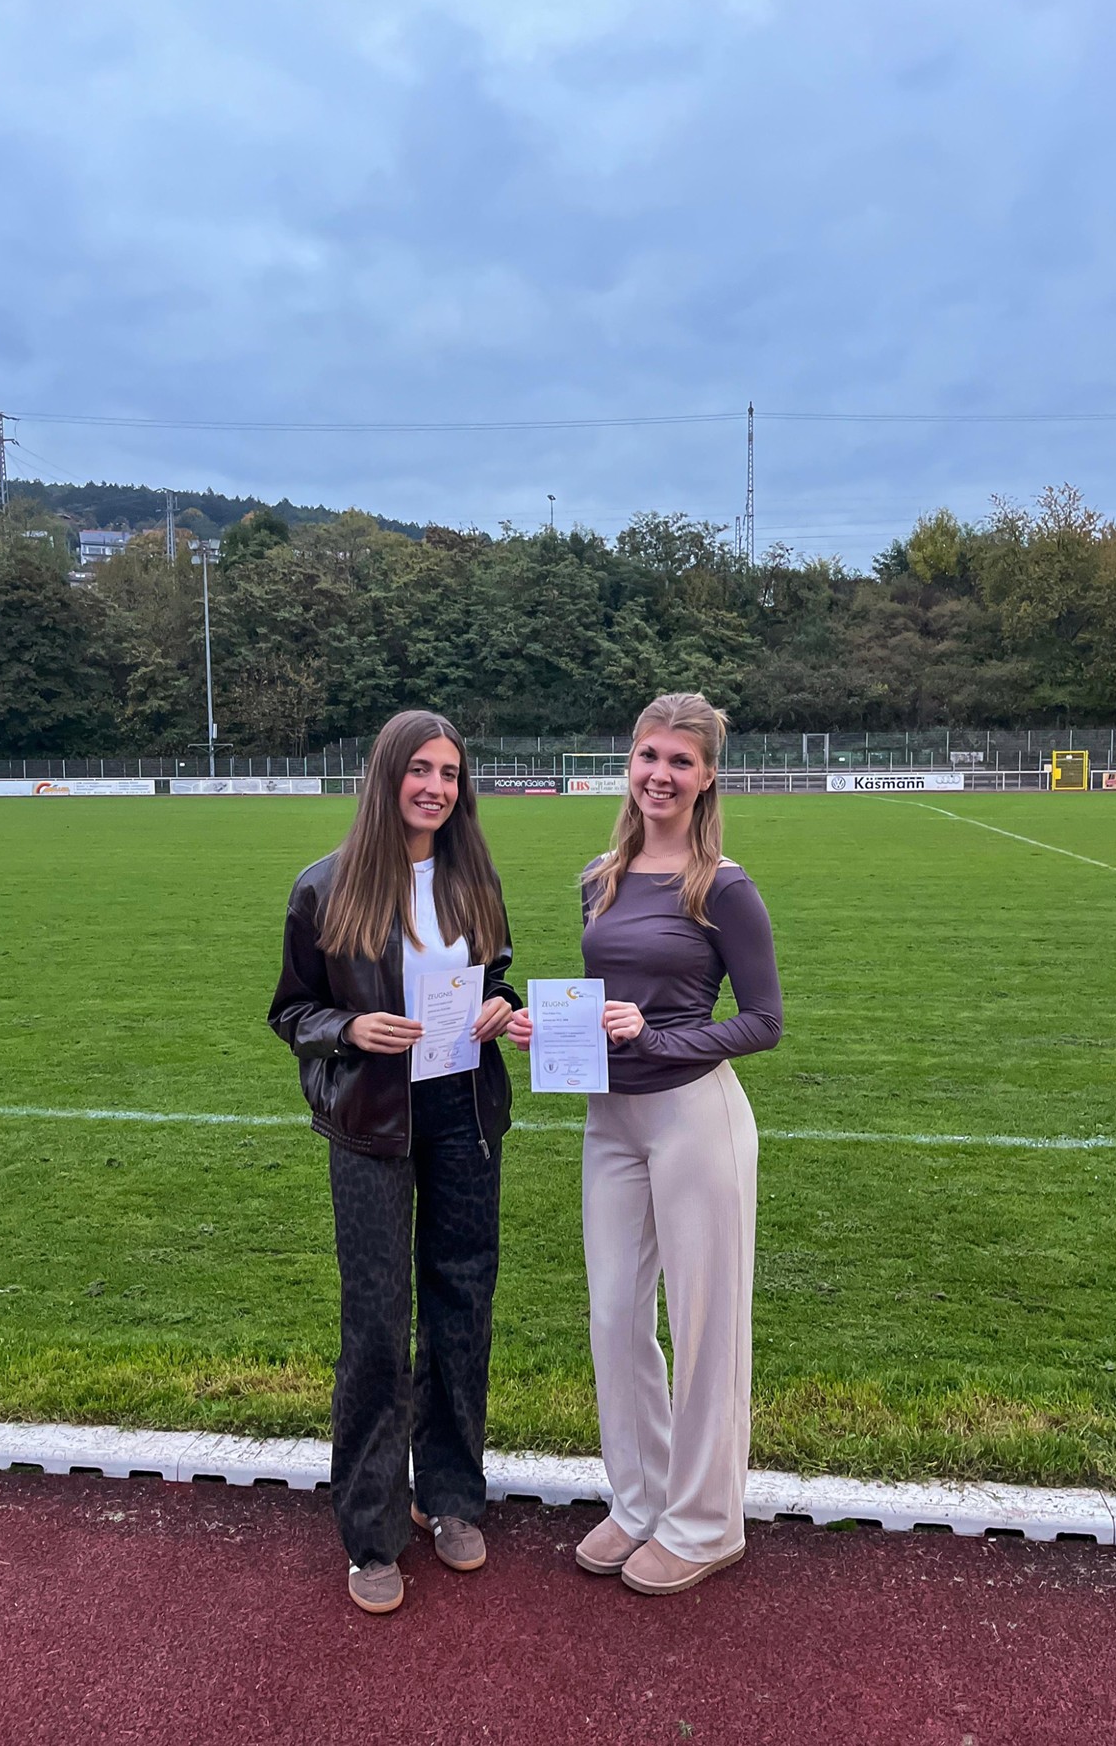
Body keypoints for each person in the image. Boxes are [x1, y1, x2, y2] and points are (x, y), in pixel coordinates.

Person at [509, 692, 782, 1596]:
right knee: (615, 1317)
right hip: (611, 1117)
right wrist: (548, 1032)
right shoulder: (601, 875)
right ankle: (639, 1501)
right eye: (648, 757)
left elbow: (764, 1022)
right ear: (629, 763)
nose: (660, 775)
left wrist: (658, 1037)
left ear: (707, 778)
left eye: (680, 762)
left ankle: (705, 1524)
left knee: (705, 1327)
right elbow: (600, 1002)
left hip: (695, 1116)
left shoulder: (724, 886)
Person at [268, 710, 520, 1616]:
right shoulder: (324, 887)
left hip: (463, 1114)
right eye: (420, 770)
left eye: (450, 773)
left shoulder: (473, 877)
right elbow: (292, 1012)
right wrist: (349, 1027)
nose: (436, 788)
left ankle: (448, 1495)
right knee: (375, 1321)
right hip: (373, 1121)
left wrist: (501, 1007)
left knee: (462, 1304)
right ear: (387, 776)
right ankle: (370, 1530)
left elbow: (496, 977)